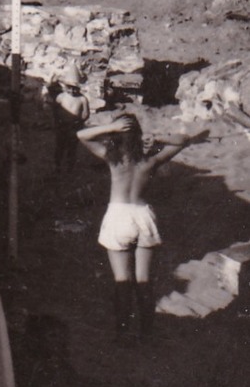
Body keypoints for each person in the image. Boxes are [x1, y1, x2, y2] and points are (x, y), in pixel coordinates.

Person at [77, 113, 207, 339]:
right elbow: (184, 139)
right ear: (139, 135)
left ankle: (123, 332)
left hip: (118, 216)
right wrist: (157, 138)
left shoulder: (112, 158)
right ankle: (147, 332)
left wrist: (111, 126)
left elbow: (81, 134)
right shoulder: (149, 161)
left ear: (115, 136)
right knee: (144, 280)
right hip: (144, 216)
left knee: (122, 280)